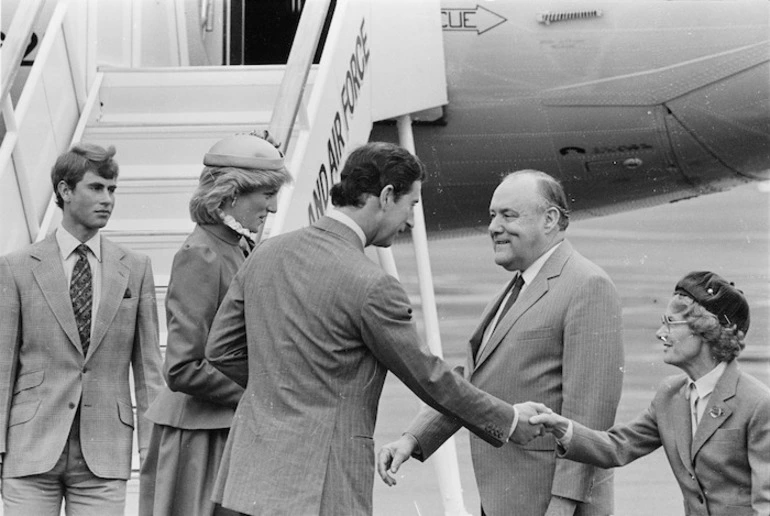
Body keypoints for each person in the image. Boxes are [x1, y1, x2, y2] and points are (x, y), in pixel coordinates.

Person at [204, 142, 549, 516]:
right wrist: (508, 420)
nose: (412, 221)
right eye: (411, 205)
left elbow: (220, 349)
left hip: (245, 482)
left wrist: (282, 389)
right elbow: (430, 379)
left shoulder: (266, 253)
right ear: (386, 196)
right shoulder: (372, 285)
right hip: (321, 489)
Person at [378, 170, 625, 516]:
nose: (494, 227)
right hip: (505, 500)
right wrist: (413, 439)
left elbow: (589, 420)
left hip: (550, 506)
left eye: (508, 215)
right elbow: (473, 381)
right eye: (492, 215)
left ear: (550, 219)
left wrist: (563, 506)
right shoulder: (518, 287)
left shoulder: (587, 285)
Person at [0, 143, 163, 515]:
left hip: (104, 452)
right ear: (65, 191)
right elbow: (2, 366)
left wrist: (154, 448)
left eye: (112, 189)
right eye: (96, 188)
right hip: (30, 448)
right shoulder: (16, 268)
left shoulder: (135, 268)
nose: (107, 199)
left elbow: (149, 370)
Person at [139, 133, 292, 516]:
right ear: (231, 194)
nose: (273, 207)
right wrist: (260, 397)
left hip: (224, 430)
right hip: (200, 437)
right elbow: (183, 366)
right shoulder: (202, 254)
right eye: (267, 194)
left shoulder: (235, 246)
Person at [531, 271, 770, 516]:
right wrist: (563, 428)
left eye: (670, 323)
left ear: (706, 330)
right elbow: (617, 446)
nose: (660, 333)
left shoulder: (758, 404)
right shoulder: (670, 395)